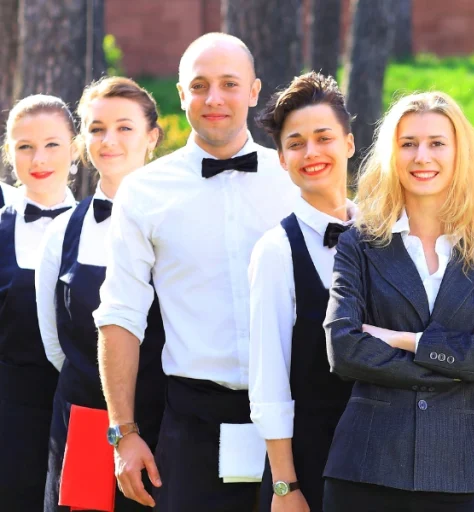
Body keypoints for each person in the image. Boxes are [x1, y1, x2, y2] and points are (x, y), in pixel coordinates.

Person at [93, 33, 298, 510]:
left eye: (230, 84)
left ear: (254, 91)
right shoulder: (144, 191)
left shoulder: (295, 182)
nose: (214, 98)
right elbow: (119, 315)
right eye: (200, 85)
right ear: (182, 94)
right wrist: (123, 433)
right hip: (191, 423)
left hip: (294, 417)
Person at [322, 91, 474, 512]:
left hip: (455, 475)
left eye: (437, 143)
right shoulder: (359, 245)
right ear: (392, 154)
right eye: (408, 144)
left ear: (459, 153)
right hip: (365, 471)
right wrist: (465, 365)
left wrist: (408, 341)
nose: (422, 157)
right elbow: (344, 349)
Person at [36, 76, 167, 512]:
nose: (109, 140)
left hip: (163, 420)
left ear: (152, 137)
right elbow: (54, 344)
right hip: (83, 421)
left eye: (124, 127)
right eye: (96, 129)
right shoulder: (61, 231)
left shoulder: (177, 224)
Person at [249, 71, 358, 512]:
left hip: (385, 465)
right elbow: (269, 380)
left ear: (348, 143)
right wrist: (285, 486)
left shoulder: (389, 236)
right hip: (311, 466)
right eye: (296, 144)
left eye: (323, 138)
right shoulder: (276, 251)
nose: (311, 153)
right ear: (282, 159)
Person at [0, 94, 78, 510]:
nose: (39, 159)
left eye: (52, 144)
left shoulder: (104, 229)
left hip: (82, 417)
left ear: (75, 149)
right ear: (9, 153)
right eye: (25, 146)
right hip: (8, 421)